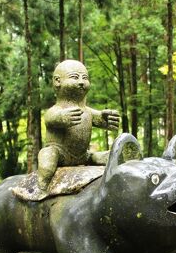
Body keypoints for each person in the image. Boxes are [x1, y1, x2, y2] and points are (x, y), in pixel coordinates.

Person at [37, 59, 120, 190]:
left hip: (84, 155)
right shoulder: (56, 109)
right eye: (75, 77)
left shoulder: (87, 111)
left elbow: (97, 118)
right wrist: (62, 118)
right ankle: (41, 187)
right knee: (47, 157)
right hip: (60, 154)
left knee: (112, 156)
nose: (81, 82)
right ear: (57, 81)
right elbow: (49, 118)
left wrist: (105, 120)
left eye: (84, 78)